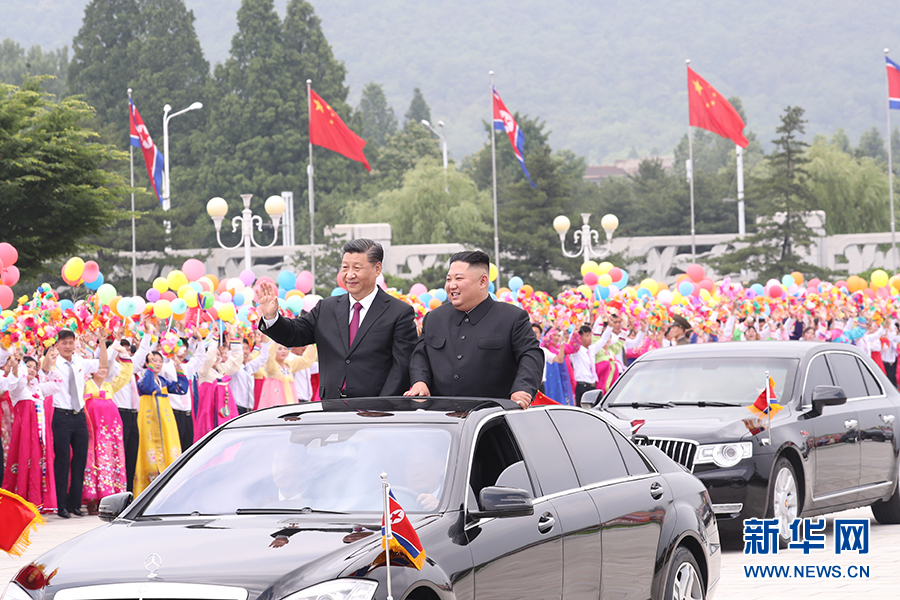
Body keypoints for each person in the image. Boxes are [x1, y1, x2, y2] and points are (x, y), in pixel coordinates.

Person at [258, 239, 417, 399]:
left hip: (375, 409)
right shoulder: (326, 308)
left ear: (377, 269)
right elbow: (294, 333)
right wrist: (271, 317)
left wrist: (382, 405)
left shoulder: (398, 312)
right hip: (332, 407)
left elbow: (402, 367)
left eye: (357, 268)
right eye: (345, 267)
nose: (350, 275)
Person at [405, 250, 543, 408]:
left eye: (459, 278)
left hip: (492, 415)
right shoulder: (434, 318)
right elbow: (420, 355)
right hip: (442, 415)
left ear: (483, 281)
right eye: (449, 279)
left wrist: (522, 389)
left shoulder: (512, 318)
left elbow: (531, 356)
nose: (452, 285)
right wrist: (420, 382)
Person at [82, 339, 134, 512]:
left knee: (110, 459)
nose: (103, 369)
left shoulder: (110, 386)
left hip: (110, 432)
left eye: (105, 367)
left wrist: (124, 354)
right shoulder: (85, 385)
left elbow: (126, 375)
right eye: (99, 366)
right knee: (92, 458)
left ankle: (109, 496)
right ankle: (91, 497)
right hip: (92, 430)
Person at [3, 351, 59, 508]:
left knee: (38, 463)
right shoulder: (18, 388)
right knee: (23, 461)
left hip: (40, 436)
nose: (32, 370)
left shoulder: (38, 388)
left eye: (35, 368)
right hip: (24, 434)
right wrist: (17, 366)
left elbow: (57, 384)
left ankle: (37, 502)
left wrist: (51, 366)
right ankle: (21, 504)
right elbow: (16, 382)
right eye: (28, 366)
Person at [52, 329, 99, 519]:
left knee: (80, 460)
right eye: (64, 342)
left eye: (70, 342)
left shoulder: (80, 361)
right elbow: (44, 369)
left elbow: (103, 364)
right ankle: (61, 505)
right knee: (62, 461)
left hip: (79, 416)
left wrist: (103, 343)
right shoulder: (53, 362)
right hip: (61, 416)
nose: (68, 346)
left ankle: (75, 504)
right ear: (57, 344)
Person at [134, 350, 188, 495]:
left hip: (165, 423)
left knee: (169, 449)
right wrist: (150, 369)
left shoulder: (163, 381)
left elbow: (182, 389)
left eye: (159, 361)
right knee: (149, 449)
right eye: (153, 361)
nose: (157, 364)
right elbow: (148, 387)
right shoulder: (142, 380)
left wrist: (178, 368)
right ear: (147, 364)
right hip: (149, 422)